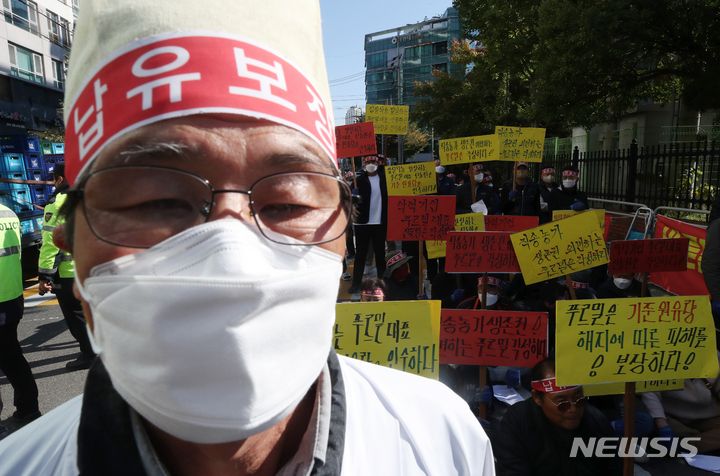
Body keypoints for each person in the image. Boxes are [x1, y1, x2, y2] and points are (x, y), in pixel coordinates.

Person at [0, 2, 494, 474]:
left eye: (288, 204)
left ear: (344, 231)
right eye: (156, 201)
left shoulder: (443, 443)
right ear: (69, 241)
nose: (231, 256)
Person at [493, 359, 621, 476]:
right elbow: (512, 470)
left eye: (579, 400)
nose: (573, 409)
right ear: (537, 398)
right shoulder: (518, 422)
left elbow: (613, 469)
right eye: (562, 404)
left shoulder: (597, 423)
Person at [38, 163, 96, 370]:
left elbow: (50, 244)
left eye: (54, 178)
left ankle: (90, 356)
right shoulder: (91, 197)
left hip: (69, 273)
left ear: (60, 179)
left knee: (76, 317)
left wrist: (44, 276)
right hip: (93, 269)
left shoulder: (57, 203)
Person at [0, 204, 40, 429]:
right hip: (12, 296)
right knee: (11, 355)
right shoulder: (8, 212)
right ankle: (28, 408)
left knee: (9, 355)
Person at [642, 353, 720, 454]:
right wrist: (663, 426)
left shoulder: (713, 354)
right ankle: (698, 441)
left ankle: (686, 443)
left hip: (708, 417)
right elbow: (650, 393)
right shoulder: (660, 355)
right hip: (672, 419)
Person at [348, 155, 388, 294]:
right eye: (368, 162)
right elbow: (351, 203)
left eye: (373, 162)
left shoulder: (385, 180)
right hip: (362, 224)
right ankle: (356, 283)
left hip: (379, 223)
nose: (371, 164)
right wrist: (354, 197)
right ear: (365, 164)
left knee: (380, 255)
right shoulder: (357, 181)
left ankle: (383, 282)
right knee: (360, 255)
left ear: (378, 164)